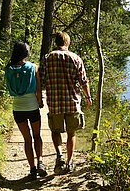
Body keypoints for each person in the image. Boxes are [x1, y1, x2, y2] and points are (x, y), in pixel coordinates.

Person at [40, 31, 92, 174]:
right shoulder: (76, 58)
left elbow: (42, 80)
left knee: (55, 131)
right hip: (72, 102)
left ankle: (59, 156)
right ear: (67, 43)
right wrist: (88, 97)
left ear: (56, 43)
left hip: (54, 102)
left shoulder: (47, 58)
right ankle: (69, 162)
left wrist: (39, 97)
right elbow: (84, 81)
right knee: (71, 133)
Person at [5, 42, 47, 180]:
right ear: (26, 53)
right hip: (32, 107)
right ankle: (40, 161)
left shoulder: (9, 69)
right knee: (37, 136)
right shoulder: (33, 67)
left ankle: (32, 170)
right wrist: (40, 102)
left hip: (17, 108)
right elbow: (38, 89)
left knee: (27, 139)